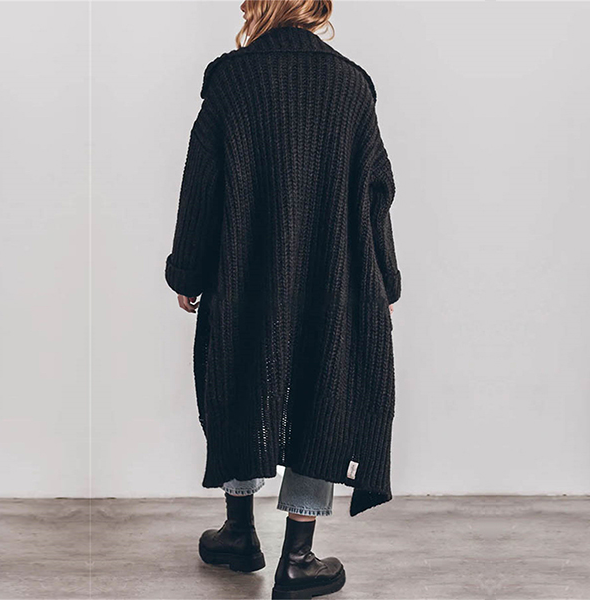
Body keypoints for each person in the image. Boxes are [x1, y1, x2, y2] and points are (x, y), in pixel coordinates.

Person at [165, 1, 401, 598]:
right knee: (322, 392)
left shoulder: (230, 78)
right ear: (317, 8)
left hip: (243, 271)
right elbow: (376, 192)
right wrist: (385, 279)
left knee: (239, 376)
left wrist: (187, 270)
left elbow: (201, 184)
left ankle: (238, 533)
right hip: (333, 275)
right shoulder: (352, 84)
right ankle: (298, 557)